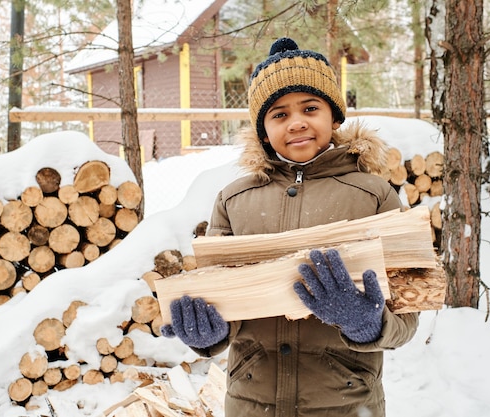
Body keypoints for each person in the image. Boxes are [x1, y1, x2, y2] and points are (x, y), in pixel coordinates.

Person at [161, 37, 419, 417]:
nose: (296, 122)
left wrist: (365, 323)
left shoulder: (373, 195)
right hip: (251, 404)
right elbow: (220, 297)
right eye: (279, 114)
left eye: (310, 108)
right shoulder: (233, 200)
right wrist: (209, 335)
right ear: (263, 131)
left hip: (344, 404)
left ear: (334, 117)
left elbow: (408, 316)